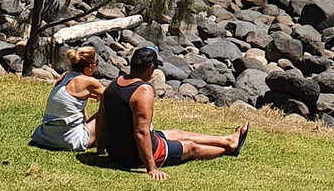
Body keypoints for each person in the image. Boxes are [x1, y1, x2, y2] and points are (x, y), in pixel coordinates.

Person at [103, 47, 247, 180]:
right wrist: (152, 169)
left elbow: (101, 116)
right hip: (135, 156)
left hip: (117, 152)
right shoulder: (143, 90)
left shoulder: (114, 83)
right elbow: (141, 131)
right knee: (190, 147)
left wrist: (101, 149)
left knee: (178, 133)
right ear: (151, 68)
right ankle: (228, 150)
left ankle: (228, 140)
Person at [31, 47, 105, 152]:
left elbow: (74, 102)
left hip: (46, 136)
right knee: (109, 106)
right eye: (96, 62)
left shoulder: (65, 77)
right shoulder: (89, 81)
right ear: (90, 66)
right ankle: (105, 146)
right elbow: (114, 95)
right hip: (69, 140)